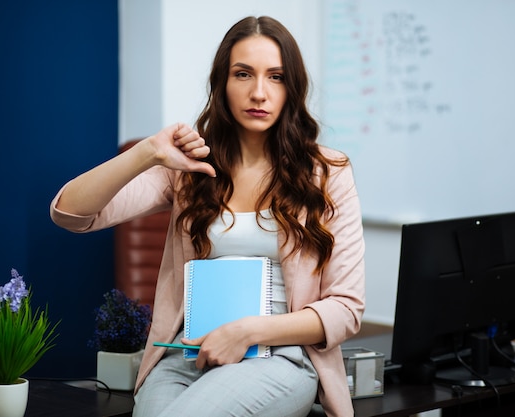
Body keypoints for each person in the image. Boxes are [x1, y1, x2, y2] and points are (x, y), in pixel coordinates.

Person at [50, 15, 365, 417]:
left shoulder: (327, 173)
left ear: (292, 87)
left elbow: (346, 308)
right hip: (187, 356)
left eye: (276, 77)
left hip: (279, 357)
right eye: (243, 74)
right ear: (222, 82)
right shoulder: (188, 167)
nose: (258, 92)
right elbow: (71, 214)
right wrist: (147, 151)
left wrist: (246, 331)